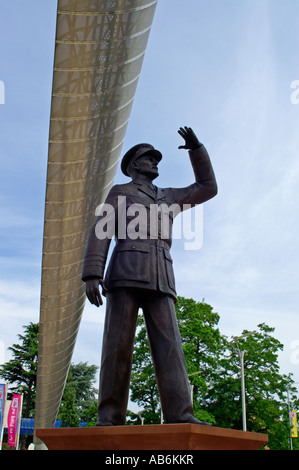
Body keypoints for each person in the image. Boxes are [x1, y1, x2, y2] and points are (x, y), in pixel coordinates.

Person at [82, 126, 217, 426]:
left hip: (161, 275)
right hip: (126, 272)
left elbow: (207, 187)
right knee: (117, 348)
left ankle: (181, 415)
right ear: (134, 166)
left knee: (171, 349)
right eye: (148, 158)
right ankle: (110, 417)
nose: (155, 161)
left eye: (156, 158)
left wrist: (197, 149)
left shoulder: (169, 196)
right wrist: (93, 273)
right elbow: (101, 231)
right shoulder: (121, 192)